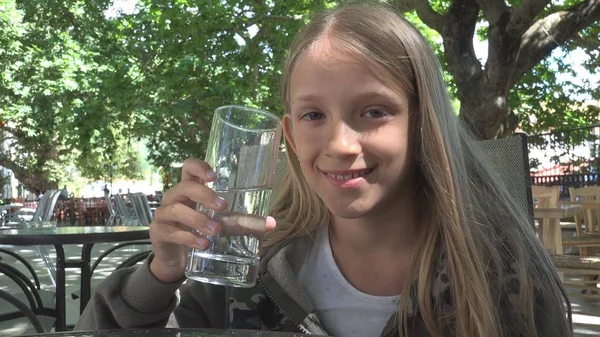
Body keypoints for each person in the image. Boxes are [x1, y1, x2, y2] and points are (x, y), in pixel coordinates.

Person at [75, 3, 572, 336]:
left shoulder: (503, 283)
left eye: (374, 111)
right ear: (288, 137)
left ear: (425, 124)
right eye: (314, 115)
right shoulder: (245, 274)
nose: (338, 144)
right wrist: (159, 275)